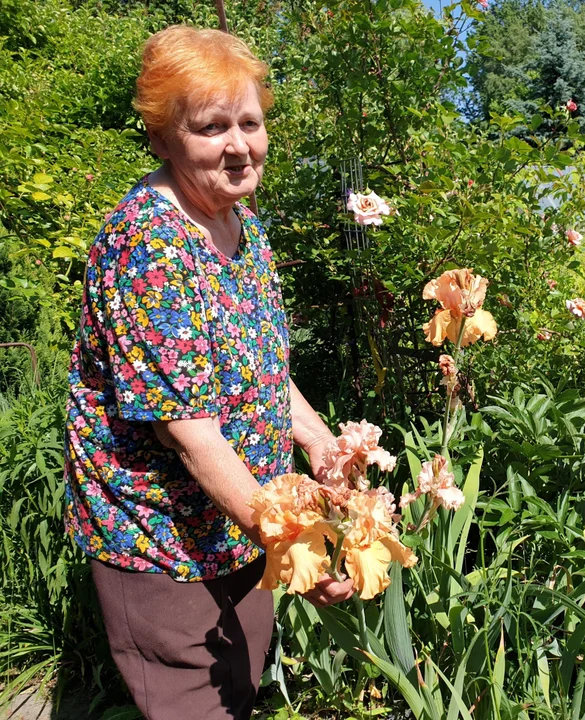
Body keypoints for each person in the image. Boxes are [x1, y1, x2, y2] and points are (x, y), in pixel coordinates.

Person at [62, 25, 353, 719]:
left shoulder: (239, 224)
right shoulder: (150, 246)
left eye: (248, 122)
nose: (238, 145)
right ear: (163, 140)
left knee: (238, 691)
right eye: (210, 127)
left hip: (240, 522)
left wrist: (317, 441)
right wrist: (294, 544)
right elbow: (189, 435)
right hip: (163, 543)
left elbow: (258, 364)